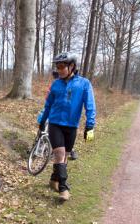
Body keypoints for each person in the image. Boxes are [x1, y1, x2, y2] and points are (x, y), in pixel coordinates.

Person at [38, 52, 96, 201]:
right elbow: (48, 105)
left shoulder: (84, 84)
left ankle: (53, 179)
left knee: (65, 157)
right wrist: (42, 121)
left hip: (71, 126)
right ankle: (63, 188)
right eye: (57, 66)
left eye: (62, 66)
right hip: (55, 124)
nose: (59, 69)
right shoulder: (56, 84)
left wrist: (90, 126)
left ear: (72, 66)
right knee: (59, 153)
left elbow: (90, 105)